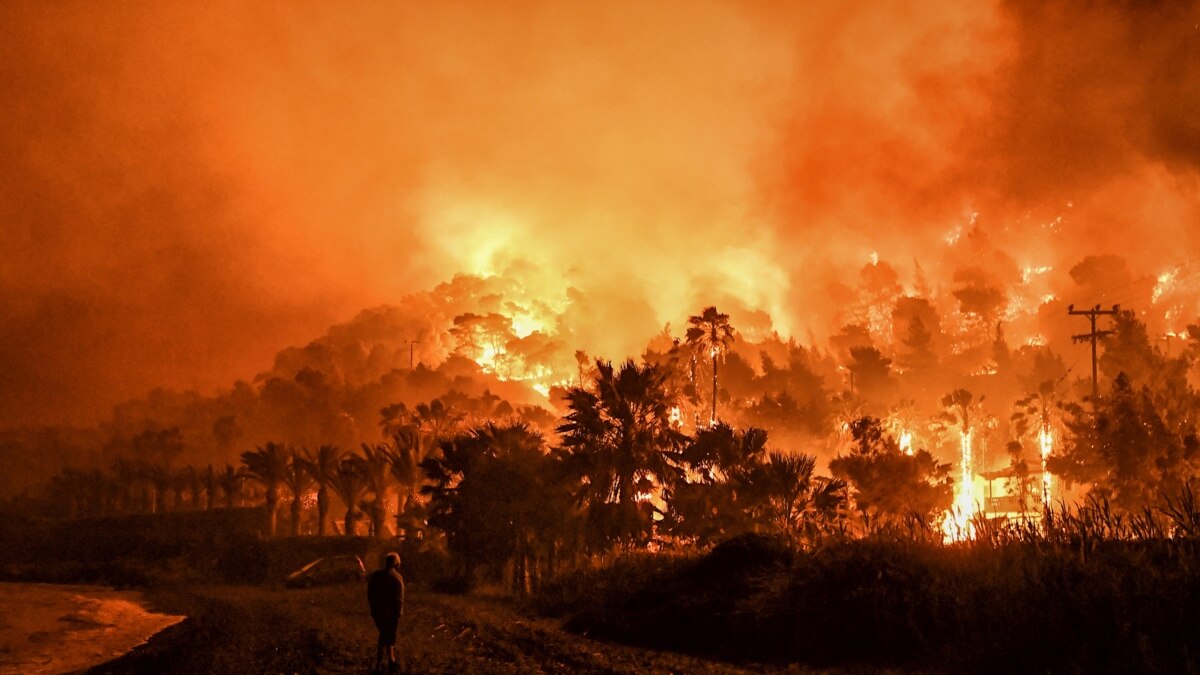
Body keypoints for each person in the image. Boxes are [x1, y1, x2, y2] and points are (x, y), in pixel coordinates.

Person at [367, 551, 405, 674]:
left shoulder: (376, 576)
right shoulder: (397, 578)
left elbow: (370, 593)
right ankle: (386, 663)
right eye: (398, 563)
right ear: (395, 564)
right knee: (388, 637)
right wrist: (398, 612)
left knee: (385, 635)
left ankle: (388, 662)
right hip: (391, 614)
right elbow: (398, 598)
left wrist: (373, 609)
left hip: (378, 613)